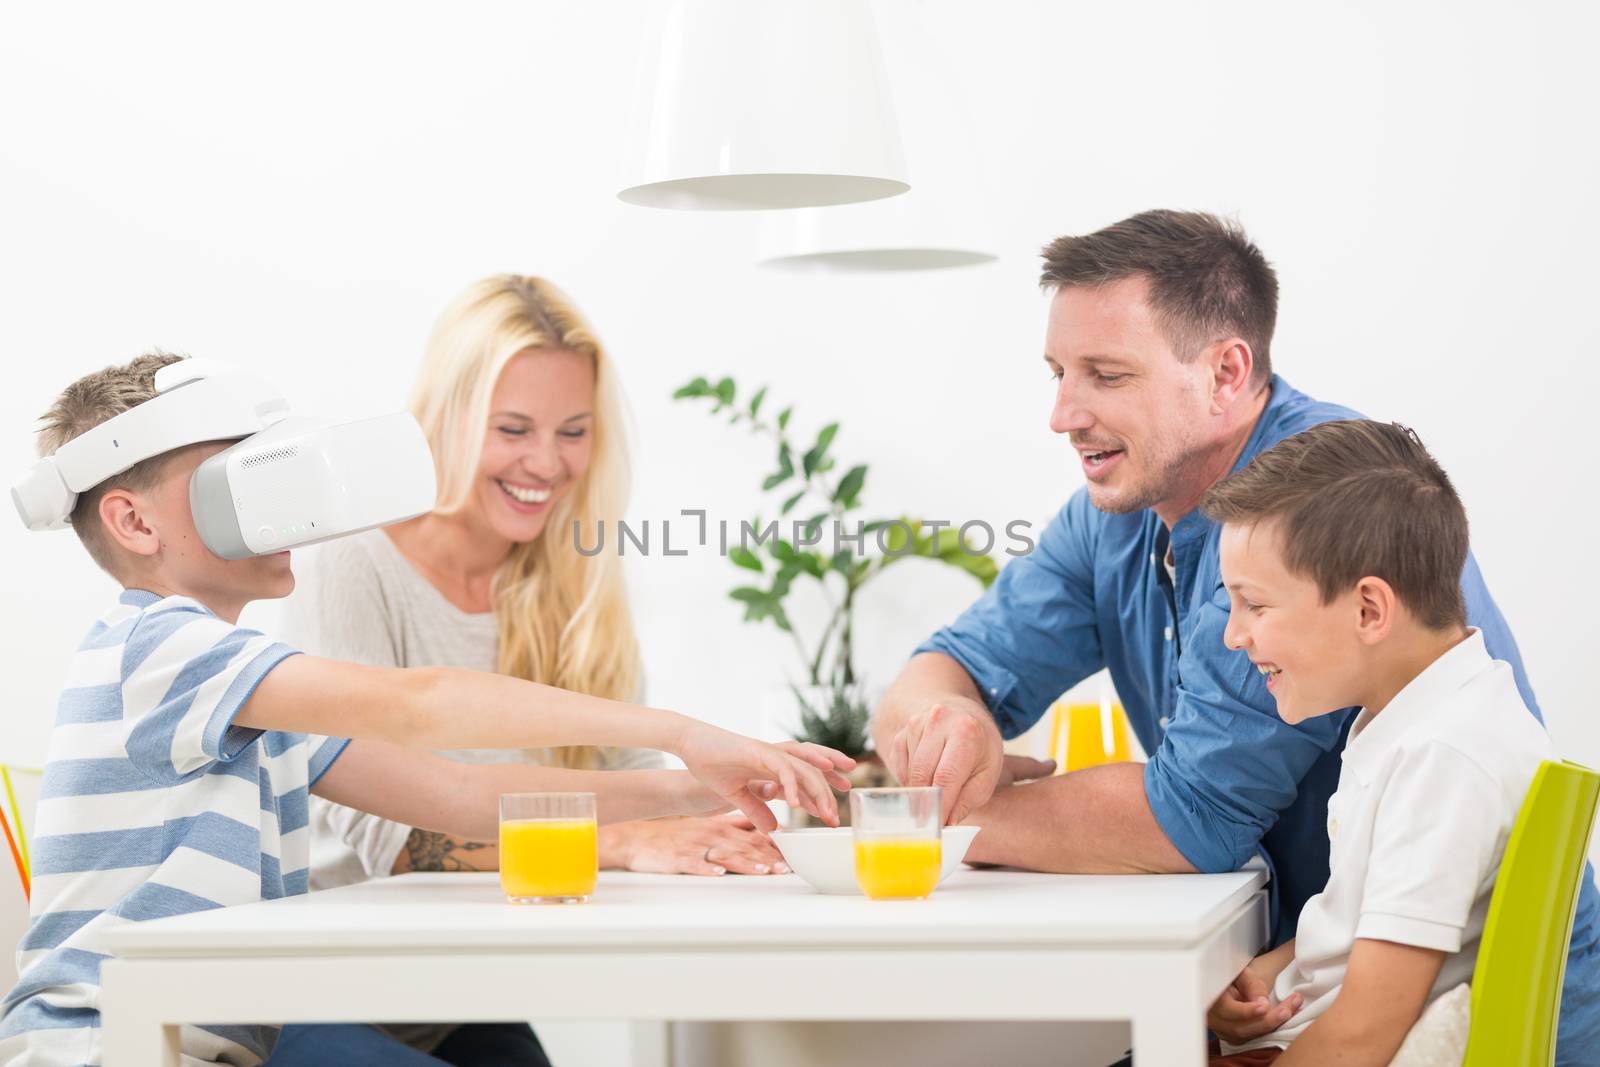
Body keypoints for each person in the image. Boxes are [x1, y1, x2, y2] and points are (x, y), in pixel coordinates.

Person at [869, 209, 1600, 1060]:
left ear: (1226, 372)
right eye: (1059, 372)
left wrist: (927, 812)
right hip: (1304, 997)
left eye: (1105, 374)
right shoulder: (1117, 513)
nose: (1063, 413)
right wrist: (942, 733)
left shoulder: (1316, 514)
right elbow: (949, 666)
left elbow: (1191, 820)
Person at [0, 352, 852, 1067]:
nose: (280, 510)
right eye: (233, 485)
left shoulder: (251, 695)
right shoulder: (158, 650)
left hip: (202, 1035)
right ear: (132, 521)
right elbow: (421, 704)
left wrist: (695, 788)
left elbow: (461, 798)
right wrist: (678, 731)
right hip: (106, 1042)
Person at [272, 275, 791, 1062]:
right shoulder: (351, 563)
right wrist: (622, 842)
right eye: (512, 427)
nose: (546, 463)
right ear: (445, 419)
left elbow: (635, 779)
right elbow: (394, 842)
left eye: (573, 431)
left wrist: (731, 832)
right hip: (319, 1000)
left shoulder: (573, 579)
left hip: (461, 998)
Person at [1198, 419, 1555, 1065]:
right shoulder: (1427, 718)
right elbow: (1364, 932)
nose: (1233, 635)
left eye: (1254, 604)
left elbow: (1366, 1032)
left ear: (1368, 610)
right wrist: (1273, 971)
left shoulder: (1445, 756)